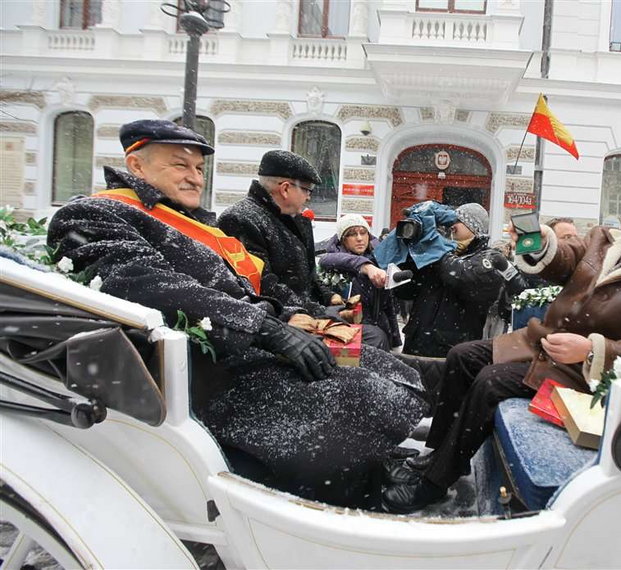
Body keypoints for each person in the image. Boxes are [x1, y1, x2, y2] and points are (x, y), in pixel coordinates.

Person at [47, 119, 425, 509]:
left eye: (198, 169)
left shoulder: (189, 219)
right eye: (180, 165)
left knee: (381, 365)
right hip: (202, 370)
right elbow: (151, 286)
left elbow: (243, 287)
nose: (195, 178)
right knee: (357, 391)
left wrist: (285, 316)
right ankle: (344, 494)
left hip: (240, 346)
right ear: (137, 165)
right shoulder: (93, 215)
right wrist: (267, 329)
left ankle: (368, 465)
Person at [382, 183, 621, 513]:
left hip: (584, 374)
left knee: (490, 381)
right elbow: (564, 260)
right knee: (461, 355)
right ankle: (438, 453)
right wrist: (537, 242)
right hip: (542, 343)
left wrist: (592, 350)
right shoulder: (603, 241)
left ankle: (434, 485)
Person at [218, 149, 390, 350]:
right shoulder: (241, 219)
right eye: (307, 190)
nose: (308, 197)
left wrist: (329, 297)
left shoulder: (293, 219)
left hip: (305, 315)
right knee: (372, 340)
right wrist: (321, 314)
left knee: (376, 335)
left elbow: (307, 274)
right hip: (283, 328)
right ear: (285, 189)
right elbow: (264, 285)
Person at [385, 202, 509, 358]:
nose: (451, 224)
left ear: (473, 227)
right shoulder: (439, 254)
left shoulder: (489, 257)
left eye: (457, 220)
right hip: (416, 343)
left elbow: (458, 277)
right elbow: (404, 292)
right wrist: (410, 255)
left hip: (452, 353)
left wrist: (434, 247)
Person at [319, 213, 402, 349]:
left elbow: (388, 306)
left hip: (378, 333)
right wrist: (365, 266)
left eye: (363, 233)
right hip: (346, 336)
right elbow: (329, 259)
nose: (359, 238)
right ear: (342, 240)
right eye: (352, 234)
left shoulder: (379, 263)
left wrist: (395, 340)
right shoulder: (333, 262)